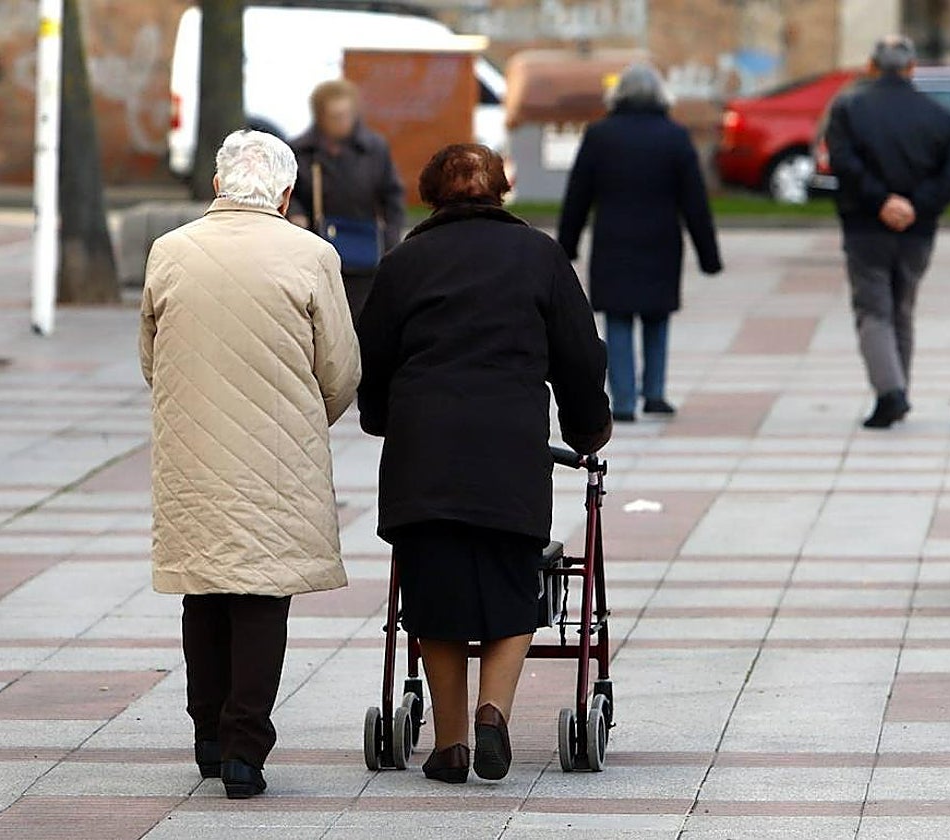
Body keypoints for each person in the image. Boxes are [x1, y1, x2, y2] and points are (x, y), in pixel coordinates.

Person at [358, 144, 612, 784]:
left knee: (432, 591)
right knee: (510, 581)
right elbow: (580, 356)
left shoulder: (404, 262)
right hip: (509, 447)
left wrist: (382, 418)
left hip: (425, 450)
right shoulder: (539, 255)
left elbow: (374, 359)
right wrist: (587, 429)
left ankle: (450, 745)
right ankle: (494, 711)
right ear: (502, 190)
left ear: (428, 194)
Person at [139, 130, 360, 800]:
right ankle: (243, 750)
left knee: (204, 590)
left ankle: (207, 734)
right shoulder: (313, 255)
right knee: (262, 597)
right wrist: (299, 423)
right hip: (278, 461)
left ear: (216, 185)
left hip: (192, 454)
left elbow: (152, 357)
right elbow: (342, 370)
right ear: (287, 193)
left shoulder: (169, 252)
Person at [557, 63, 722, 423]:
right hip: (661, 241)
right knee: (656, 316)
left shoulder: (600, 135)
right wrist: (708, 255)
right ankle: (655, 393)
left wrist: (566, 244)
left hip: (614, 241)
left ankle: (625, 401)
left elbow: (578, 194)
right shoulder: (675, 136)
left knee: (617, 318)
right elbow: (694, 200)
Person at [825, 35, 950, 429]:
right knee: (902, 309)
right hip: (917, 231)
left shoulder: (849, 109)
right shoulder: (940, 114)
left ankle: (890, 394)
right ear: (911, 68)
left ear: (871, 66)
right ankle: (899, 387)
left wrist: (881, 200)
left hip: (865, 225)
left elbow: (842, 161)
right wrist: (916, 205)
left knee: (874, 309)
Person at [288, 79, 407, 320]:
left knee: (360, 315)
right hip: (317, 245)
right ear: (321, 116)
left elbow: (392, 195)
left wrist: (390, 239)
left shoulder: (374, 148)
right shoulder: (302, 150)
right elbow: (289, 191)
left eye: (346, 115)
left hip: (363, 246)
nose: (342, 122)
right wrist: (296, 213)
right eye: (335, 116)